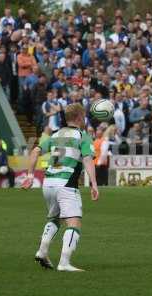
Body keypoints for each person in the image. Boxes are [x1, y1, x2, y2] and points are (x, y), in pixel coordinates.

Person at [22, 103, 99, 272]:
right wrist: (94, 183)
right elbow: (87, 159)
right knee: (74, 222)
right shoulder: (82, 136)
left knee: (54, 219)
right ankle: (64, 263)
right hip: (66, 183)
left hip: (48, 182)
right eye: (84, 116)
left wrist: (29, 175)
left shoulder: (55, 135)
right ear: (79, 117)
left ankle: (42, 251)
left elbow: (35, 151)